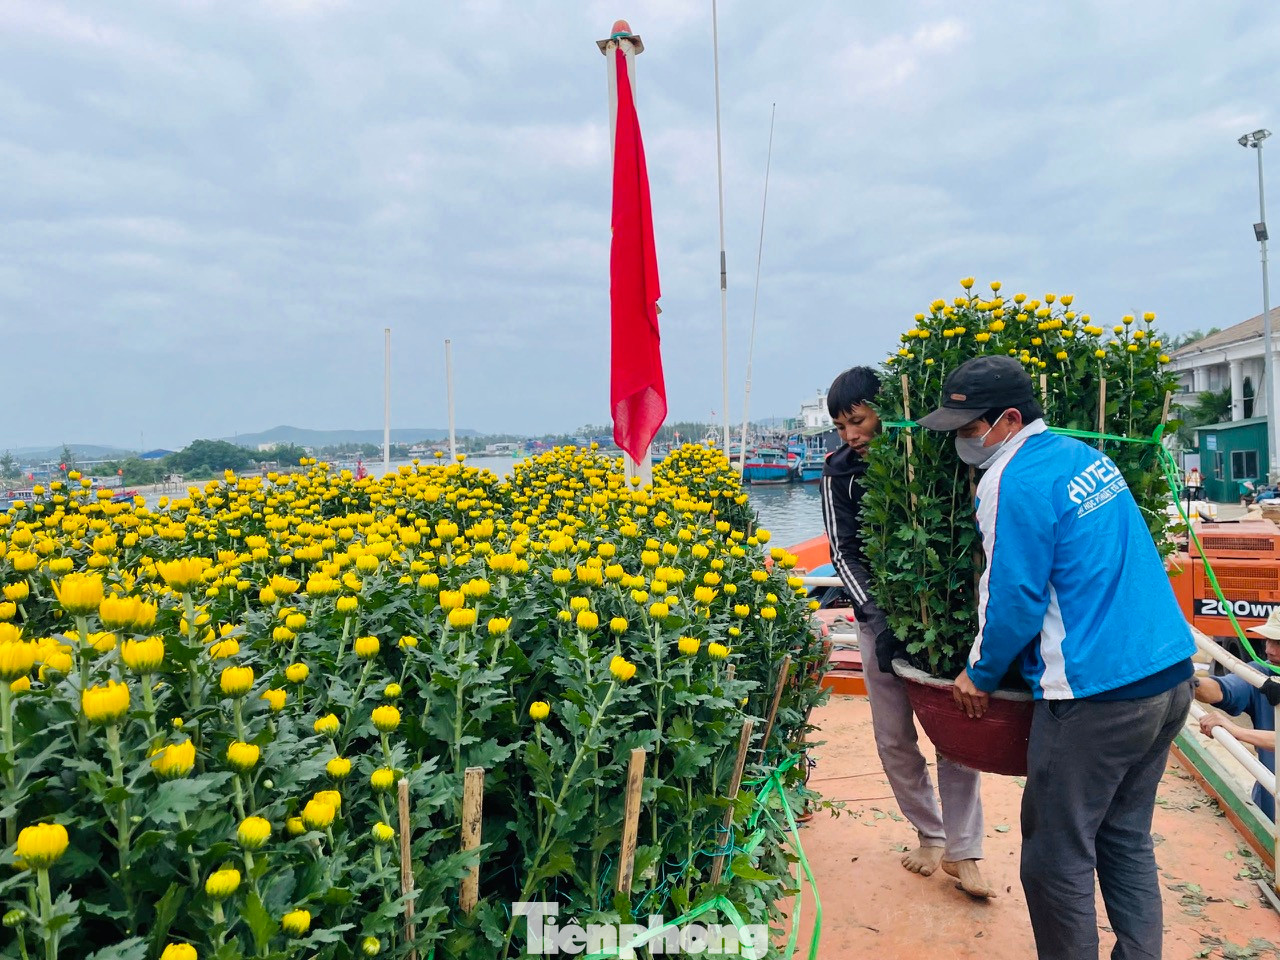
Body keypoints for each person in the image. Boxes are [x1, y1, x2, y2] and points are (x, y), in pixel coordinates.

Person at [917, 355, 1196, 960]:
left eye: (970, 428)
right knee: (1125, 837)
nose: (963, 440)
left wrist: (979, 673)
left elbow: (1013, 597)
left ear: (1009, 420)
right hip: (1170, 676)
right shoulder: (1085, 459)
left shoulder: (1011, 480)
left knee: (1054, 859)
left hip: (1099, 694)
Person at [819, 365, 992, 898]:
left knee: (955, 728)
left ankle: (965, 850)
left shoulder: (931, 456)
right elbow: (843, 553)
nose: (851, 435)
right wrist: (879, 614)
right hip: (878, 621)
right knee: (893, 735)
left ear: (886, 412)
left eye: (858, 420)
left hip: (939, 618)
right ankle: (930, 834)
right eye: (841, 426)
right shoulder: (838, 473)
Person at [1195, 611, 1280, 821]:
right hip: (1269, 810)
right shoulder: (1262, 673)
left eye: (1279, 642)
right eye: (1268, 640)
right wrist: (1182, 678)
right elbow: (1219, 690)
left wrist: (1236, 731)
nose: (1269, 650)